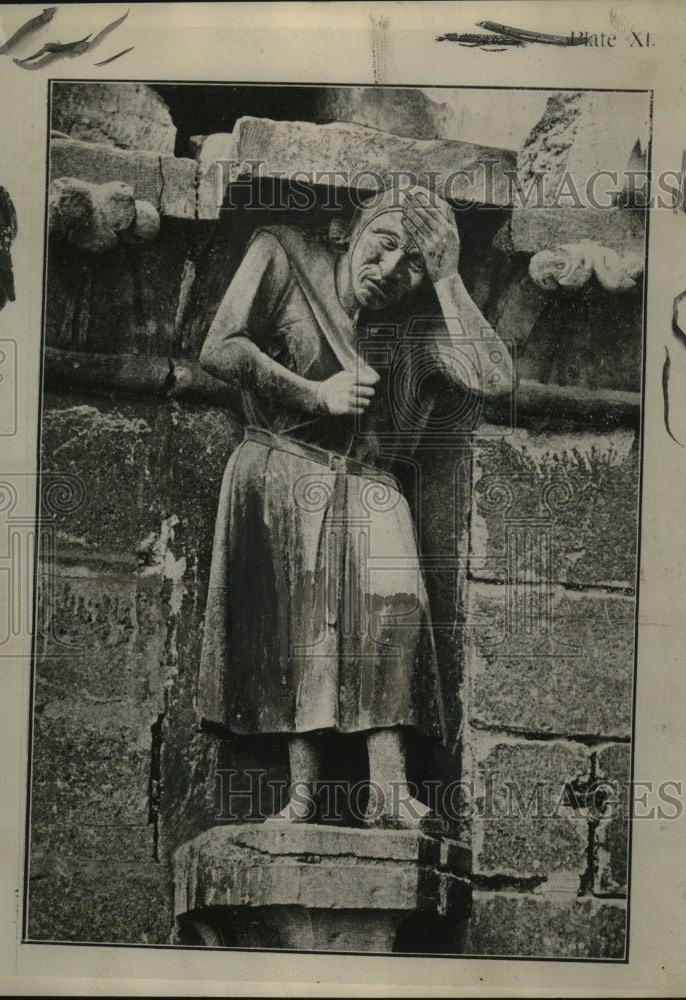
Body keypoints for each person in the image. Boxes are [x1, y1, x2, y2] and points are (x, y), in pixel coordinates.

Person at [198, 183, 514, 827]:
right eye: (385, 244)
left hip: (369, 484)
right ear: (354, 227)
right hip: (283, 467)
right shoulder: (282, 253)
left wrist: (449, 278)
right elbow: (219, 347)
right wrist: (318, 396)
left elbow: (497, 381)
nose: (392, 270)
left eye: (415, 263)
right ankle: (304, 798)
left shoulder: (420, 320)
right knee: (297, 629)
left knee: (394, 619)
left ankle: (389, 791)